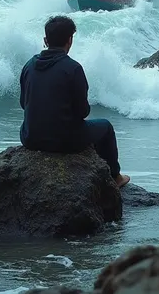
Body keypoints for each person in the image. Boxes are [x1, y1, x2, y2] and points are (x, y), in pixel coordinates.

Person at [19, 15, 130, 188]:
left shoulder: (29, 65)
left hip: (30, 138)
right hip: (64, 142)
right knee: (106, 127)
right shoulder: (73, 68)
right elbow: (83, 112)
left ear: (45, 40)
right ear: (70, 40)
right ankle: (114, 176)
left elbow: (23, 104)